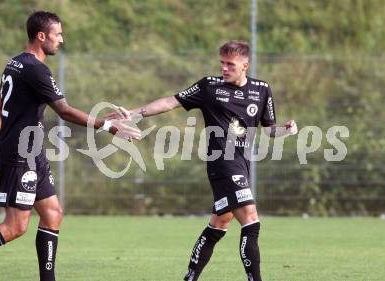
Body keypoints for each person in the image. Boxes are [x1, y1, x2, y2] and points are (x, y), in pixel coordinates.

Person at [0, 11, 140, 281]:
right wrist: (108, 126)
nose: (62, 39)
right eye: (58, 34)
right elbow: (65, 111)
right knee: (15, 227)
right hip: (20, 155)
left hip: (31, 152)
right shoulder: (36, 69)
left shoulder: (14, 63)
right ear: (41, 36)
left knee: (53, 214)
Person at [128, 40, 298, 281]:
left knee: (220, 222)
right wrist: (135, 113)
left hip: (242, 164)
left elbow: (269, 130)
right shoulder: (209, 86)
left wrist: (287, 130)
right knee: (251, 220)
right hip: (222, 163)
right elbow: (171, 101)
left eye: (230, 64)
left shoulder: (261, 89)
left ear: (245, 65)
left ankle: (189, 278)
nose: (224, 68)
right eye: (222, 63)